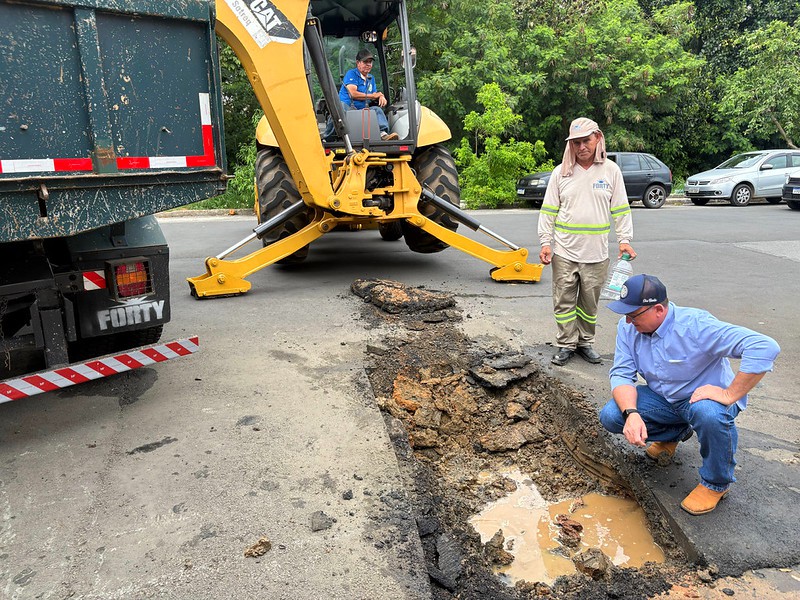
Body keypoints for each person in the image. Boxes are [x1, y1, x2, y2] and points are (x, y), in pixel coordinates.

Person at [599, 274, 780, 515]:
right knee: (612, 415)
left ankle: (716, 483)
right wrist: (631, 413)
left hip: (702, 399)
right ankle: (676, 432)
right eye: (626, 315)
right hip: (665, 398)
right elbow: (622, 373)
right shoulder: (628, 327)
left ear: (659, 310)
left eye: (634, 315)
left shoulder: (695, 325)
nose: (629, 322)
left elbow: (764, 347)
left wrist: (728, 394)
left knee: (708, 413)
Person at [537, 117, 636, 366]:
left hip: (596, 253)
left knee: (589, 304)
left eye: (586, 141)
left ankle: (585, 343)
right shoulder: (561, 173)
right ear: (570, 145)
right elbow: (548, 210)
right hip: (564, 251)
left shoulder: (611, 171)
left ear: (598, 139)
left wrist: (624, 240)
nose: (581, 147)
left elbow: (621, 209)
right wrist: (545, 242)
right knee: (564, 301)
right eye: (576, 142)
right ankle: (566, 344)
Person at [325, 48, 398, 141]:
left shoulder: (371, 78)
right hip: (348, 108)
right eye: (365, 62)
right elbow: (353, 94)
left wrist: (381, 96)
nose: (368, 64)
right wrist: (374, 95)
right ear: (358, 63)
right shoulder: (352, 74)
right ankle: (328, 138)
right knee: (339, 108)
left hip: (362, 110)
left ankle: (383, 134)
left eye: (370, 62)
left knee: (377, 110)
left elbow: (375, 94)